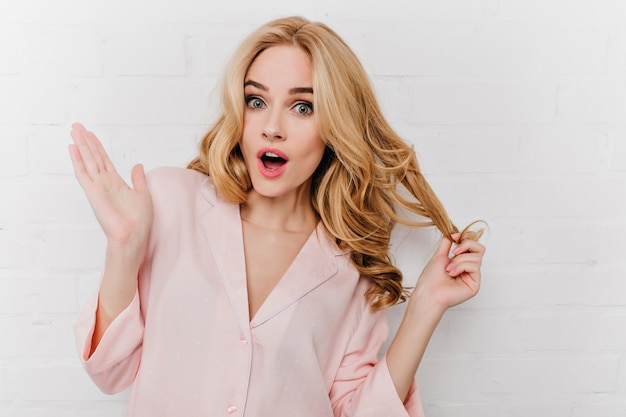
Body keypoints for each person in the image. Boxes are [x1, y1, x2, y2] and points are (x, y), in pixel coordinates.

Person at [69, 16, 485, 417]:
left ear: (335, 126)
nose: (272, 127)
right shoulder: (169, 202)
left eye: (302, 107)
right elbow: (110, 372)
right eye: (256, 100)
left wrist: (426, 306)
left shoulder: (352, 271)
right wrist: (124, 248)